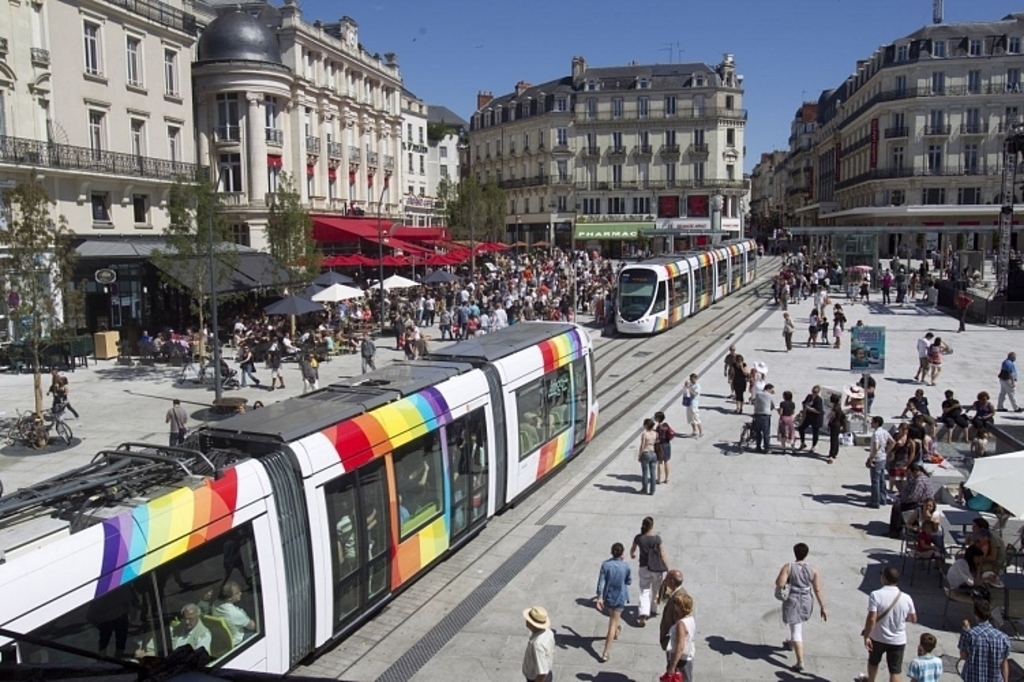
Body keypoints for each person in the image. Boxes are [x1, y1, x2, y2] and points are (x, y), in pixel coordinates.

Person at [856, 567, 917, 682]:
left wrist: (867, 636)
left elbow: (872, 618)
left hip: (878, 637)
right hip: (898, 640)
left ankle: (871, 680)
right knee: (895, 670)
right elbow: (913, 619)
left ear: (884, 578)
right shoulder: (906, 598)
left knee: (873, 662)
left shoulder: (876, 595)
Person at [775, 543, 827, 673]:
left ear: (795, 553)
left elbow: (780, 583)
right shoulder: (813, 569)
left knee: (796, 630)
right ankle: (790, 641)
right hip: (806, 600)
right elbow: (817, 589)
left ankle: (800, 661)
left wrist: (786, 581)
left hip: (793, 600)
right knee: (797, 623)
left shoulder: (789, 567)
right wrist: (823, 607)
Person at [595, 542, 631, 663]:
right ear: (622, 553)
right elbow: (629, 581)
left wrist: (599, 597)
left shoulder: (606, 565)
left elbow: (601, 582)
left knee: (613, 618)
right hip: (620, 597)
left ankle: (616, 631)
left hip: (608, 597)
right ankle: (605, 652)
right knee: (612, 623)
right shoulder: (625, 566)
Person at [958, 600, 1011, 682]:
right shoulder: (1003, 638)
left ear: (975, 615)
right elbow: (1004, 663)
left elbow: (963, 656)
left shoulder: (969, 634)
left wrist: (966, 630)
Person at [630, 517, 669, 627]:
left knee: (644, 590)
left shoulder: (639, 538)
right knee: (656, 590)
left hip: (644, 568)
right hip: (656, 568)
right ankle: (654, 608)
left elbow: (632, 550)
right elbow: (662, 555)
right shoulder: (657, 539)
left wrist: (633, 554)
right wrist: (668, 568)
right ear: (652, 526)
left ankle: (643, 613)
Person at [212, 581, 256, 647]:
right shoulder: (235, 613)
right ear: (229, 598)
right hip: (239, 641)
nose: (241, 593)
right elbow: (252, 626)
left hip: (225, 640)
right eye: (237, 593)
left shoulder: (215, 604)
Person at [664, 592, 696, 682]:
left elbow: (680, 646)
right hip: (688, 657)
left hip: (680, 660)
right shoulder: (690, 619)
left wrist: (672, 666)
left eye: (676, 604)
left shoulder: (681, 624)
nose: (675, 606)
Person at [867, 416, 894, 509]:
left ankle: (875, 501)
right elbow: (892, 442)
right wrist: (887, 452)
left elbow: (876, 446)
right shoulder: (885, 432)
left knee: (875, 480)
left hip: (877, 458)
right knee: (882, 480)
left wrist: (871, 458)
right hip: (883, 458)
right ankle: (883, 499)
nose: (871, 423)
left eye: (872, 422)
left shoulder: (876, 434)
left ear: (876, 423)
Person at [522, 606, 555, 682]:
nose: (526, 620)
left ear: (533, 624)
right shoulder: (548, 632)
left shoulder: (537, 645)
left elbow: (542, 673)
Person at [658, 569, 689, 651]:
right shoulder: (677, 593)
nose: (665, 581)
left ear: (672, 582)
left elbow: (679, 621)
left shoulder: (678, 598)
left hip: (672, 641)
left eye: (666, 579)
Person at [797, 386, 824, 454]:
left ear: (818, 392)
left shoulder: (819, 400)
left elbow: (818, 411)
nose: (814, 393)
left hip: (816, 418)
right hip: (808, 416)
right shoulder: (809, 396)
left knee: (815, 432)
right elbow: (804, 402)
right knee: (801, 428)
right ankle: (802, 443)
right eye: (813, 391)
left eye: (815, 392)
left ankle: (813, 446)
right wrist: (804, 408)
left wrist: (810, 409)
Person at [637, 418, 659, 495]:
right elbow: (656, 443)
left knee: (645, 473)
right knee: (653, 473)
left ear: (646, 425)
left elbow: (642, 445)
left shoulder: (644, 434)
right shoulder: (656, 434)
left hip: (646, 453)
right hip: (653, 454)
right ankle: (652, 490)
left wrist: (639, 455)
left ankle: (644, 489)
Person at [753, 383, 775, 454]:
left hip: (757, 414)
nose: (772, 391)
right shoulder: (769, 395)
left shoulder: (758, 394)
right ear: (768, 389)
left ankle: (758, 447)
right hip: (765, 415)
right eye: (772, 389)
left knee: (758, 432)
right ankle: (766, 448)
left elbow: (755, 401)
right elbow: (773, 405)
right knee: (766, 433)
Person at [826, 393, 848, 464]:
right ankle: (834, 453)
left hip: (834, 425)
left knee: (833, 440)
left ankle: (832, 454)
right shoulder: (838, 406)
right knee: (835, 439)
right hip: (837, 424)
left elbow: (829, 416)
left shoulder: (835, 408)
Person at [654, 411, 675, 484]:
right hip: (667, 444)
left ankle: (659, 479)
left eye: (655, 417)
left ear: (658, 418)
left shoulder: (658, 427)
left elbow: (656, 437)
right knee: (667, 461)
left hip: (660, 445)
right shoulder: (666, 425)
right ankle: (667, 478)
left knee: (660, 462)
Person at [777, 390, 798, 455]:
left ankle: (784, 449)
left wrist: (777, 410)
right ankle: (793, 449)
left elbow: (781, 413)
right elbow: (793, 412)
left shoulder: (782, 403)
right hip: (790, 418)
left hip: (783, 418)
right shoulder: (792, 403)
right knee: (791, 433)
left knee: (783, 434)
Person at [683, 373, 703, 438]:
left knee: (696, 418)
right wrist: (686, 386)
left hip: (694, 404)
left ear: (696, 379)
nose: (691, 380)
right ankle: (694, 431)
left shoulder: (697, 386)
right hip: (689, 403)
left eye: (692, 379)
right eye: (690, 379)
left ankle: (701, 432)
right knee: (690, 418)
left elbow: (694, 394)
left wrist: (689, 388)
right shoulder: (691, 385)